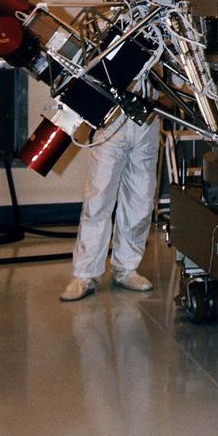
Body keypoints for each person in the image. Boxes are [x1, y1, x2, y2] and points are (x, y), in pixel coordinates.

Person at [59, 107, 161, 302]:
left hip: (146, 125)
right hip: (111, 124)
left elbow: (176, 86)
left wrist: (157, 105)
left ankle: (126, 268)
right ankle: (85, 275)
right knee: (98, 201)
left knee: (140, 201)